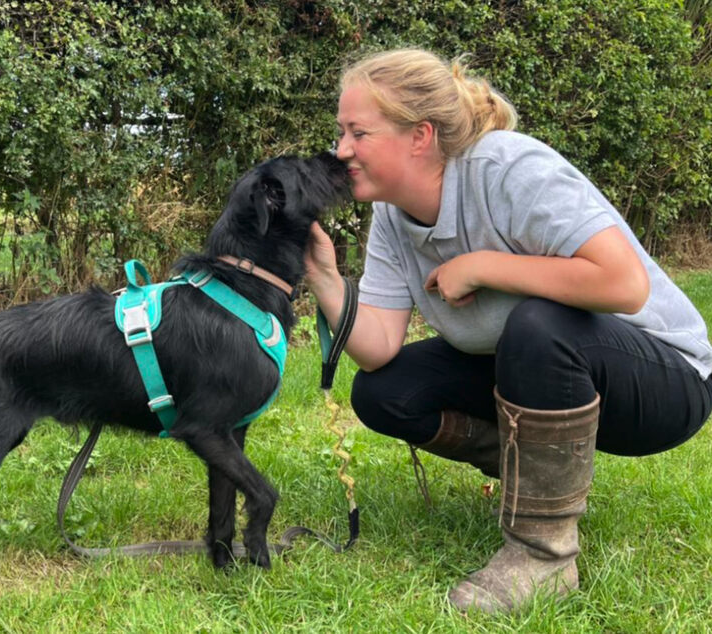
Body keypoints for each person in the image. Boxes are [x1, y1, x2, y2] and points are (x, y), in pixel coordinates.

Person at [304, 48, 712, 613]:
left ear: (419, 135)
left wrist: (482, 266)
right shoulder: (394, 217)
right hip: (546, 373)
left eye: (358, 133)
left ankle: (542, 558)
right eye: (340, 132)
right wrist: (324, 278)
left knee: (538, 323)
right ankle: (538, 481)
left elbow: (624, 285)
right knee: (384, 392)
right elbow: (377, 349)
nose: (341, 150)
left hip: (665, 383)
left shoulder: (506, 169)